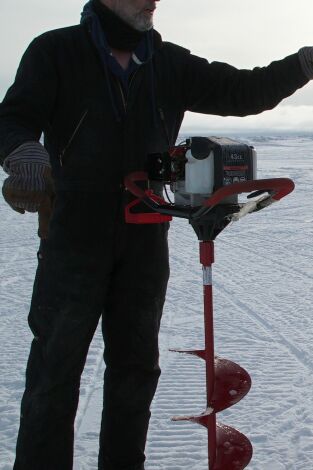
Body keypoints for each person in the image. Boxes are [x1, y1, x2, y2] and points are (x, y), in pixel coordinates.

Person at [0, 1, 313, 469]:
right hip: (74, 233)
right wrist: (24, 152)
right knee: (55, 369)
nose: (153, 0)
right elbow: (14, 117)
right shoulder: (56, 51)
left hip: (146, 229)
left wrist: (303, 63)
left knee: (135, 370)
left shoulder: (169, 62)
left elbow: (242, 91)